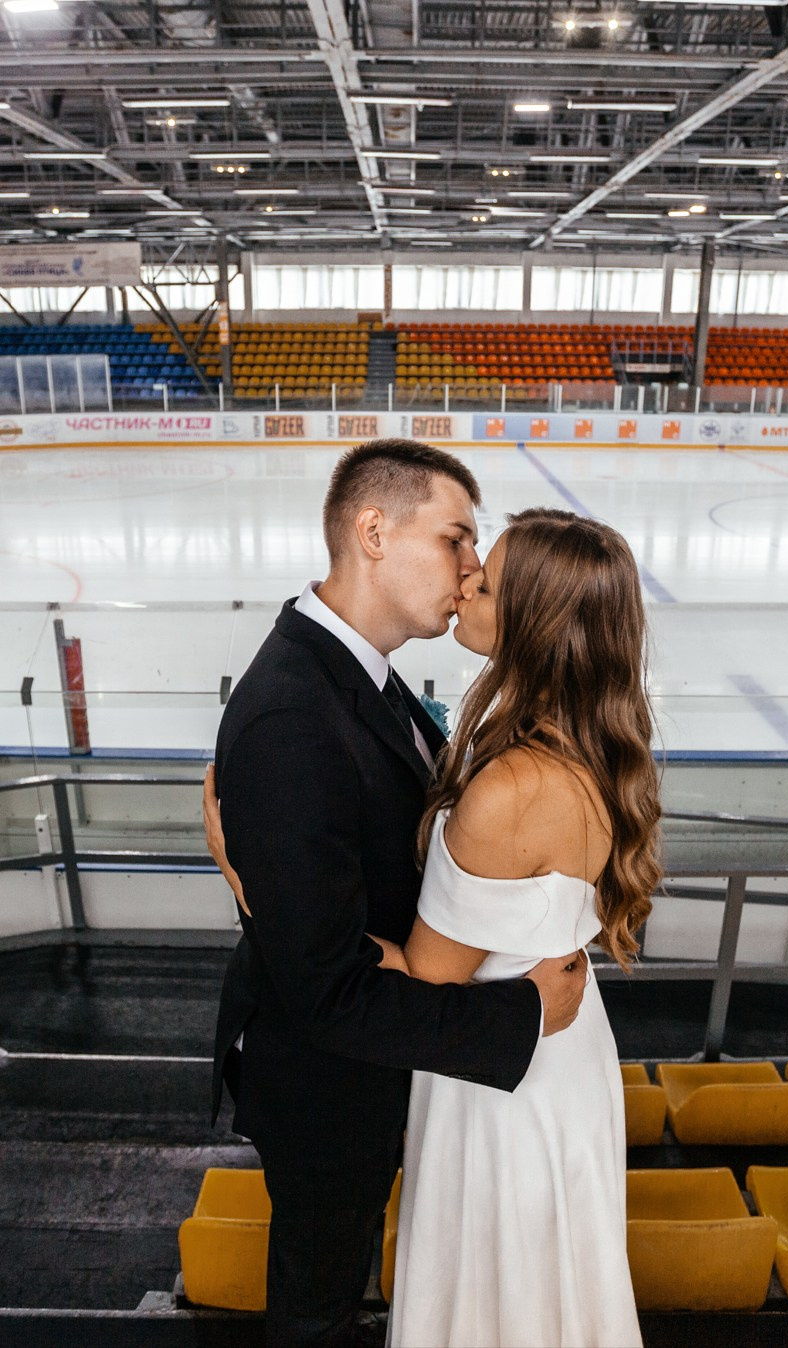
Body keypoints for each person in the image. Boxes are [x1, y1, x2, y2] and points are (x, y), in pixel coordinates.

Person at [204, 439, 587, 1348]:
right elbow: (329, 991)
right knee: (318, 1303)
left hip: (385, 1054)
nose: (470, 569)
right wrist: (522, 1016)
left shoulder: (362, 676)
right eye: (456, 539)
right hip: (327, 1083)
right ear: (373, 531)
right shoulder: (295, 715)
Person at [370, 509, 662, 1347]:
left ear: (532, 625)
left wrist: (269, 896)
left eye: (487, 582)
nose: (464, 583)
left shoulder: (517, 790)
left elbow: (427, 980)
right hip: (553, 1060)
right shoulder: (582, 747)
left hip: (501, 1083)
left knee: (498, 1301)